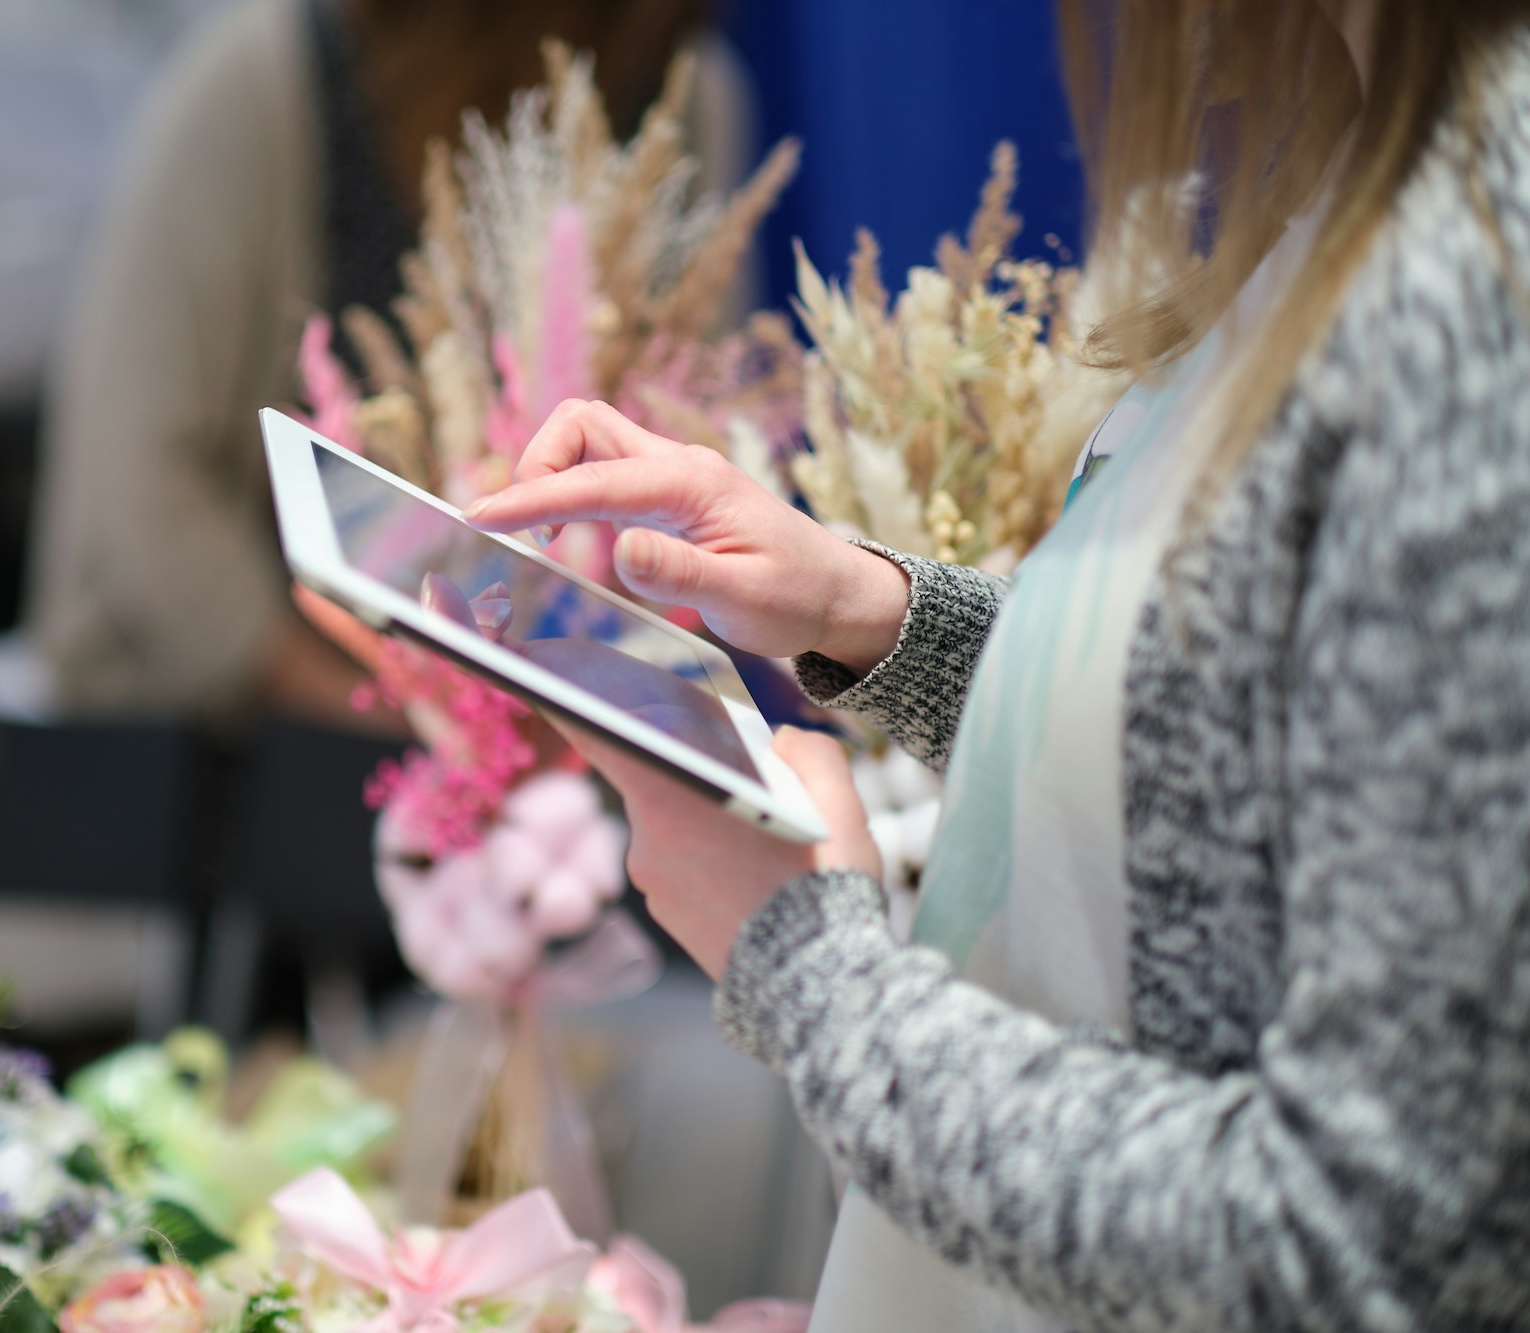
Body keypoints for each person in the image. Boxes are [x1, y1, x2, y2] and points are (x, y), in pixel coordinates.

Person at [465, 0, 1530, 1327]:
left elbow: (1365, 1245)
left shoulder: (1478, 287)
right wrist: (871, 612)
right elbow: (1257, 784)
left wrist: (810, 971)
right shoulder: (1385, 182)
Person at [28, 0, 746, 728]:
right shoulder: (275, 76)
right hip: (234, 724)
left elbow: (685, 451)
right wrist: (376, 714)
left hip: (523, 731)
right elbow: (136, 477)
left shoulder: (677, 93)